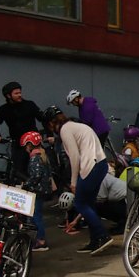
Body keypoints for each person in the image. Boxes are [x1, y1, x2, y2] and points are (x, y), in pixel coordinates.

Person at [42, 106, 113, 254]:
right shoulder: (77, 125)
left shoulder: (65, 130)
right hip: (101, 164)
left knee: (80, 203)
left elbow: (74, 157)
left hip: (91, 166)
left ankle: (102, 235)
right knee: (89, 203)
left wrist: (73, 181)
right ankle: (95, 241)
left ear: (50, 123)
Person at [0, 81, 43, 176]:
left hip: (34, 144)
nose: (19, 95)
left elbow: (43, 118)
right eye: (16, 93)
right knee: (19, 172)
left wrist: (50, 134)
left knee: (39, 168)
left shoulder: (29, 105)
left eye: (20, 92)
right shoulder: (4, 109)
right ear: (8, 96)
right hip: (18, 145)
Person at [20, 131, 52, 251]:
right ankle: (39, 239)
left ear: (29, 145)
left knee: (36, 215)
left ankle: (41, 241)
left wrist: (26, 185)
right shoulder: (43, 155)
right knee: (36, 215)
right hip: (43, 190)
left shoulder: (34, 159)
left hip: (37, 191)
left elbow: (36, 176)